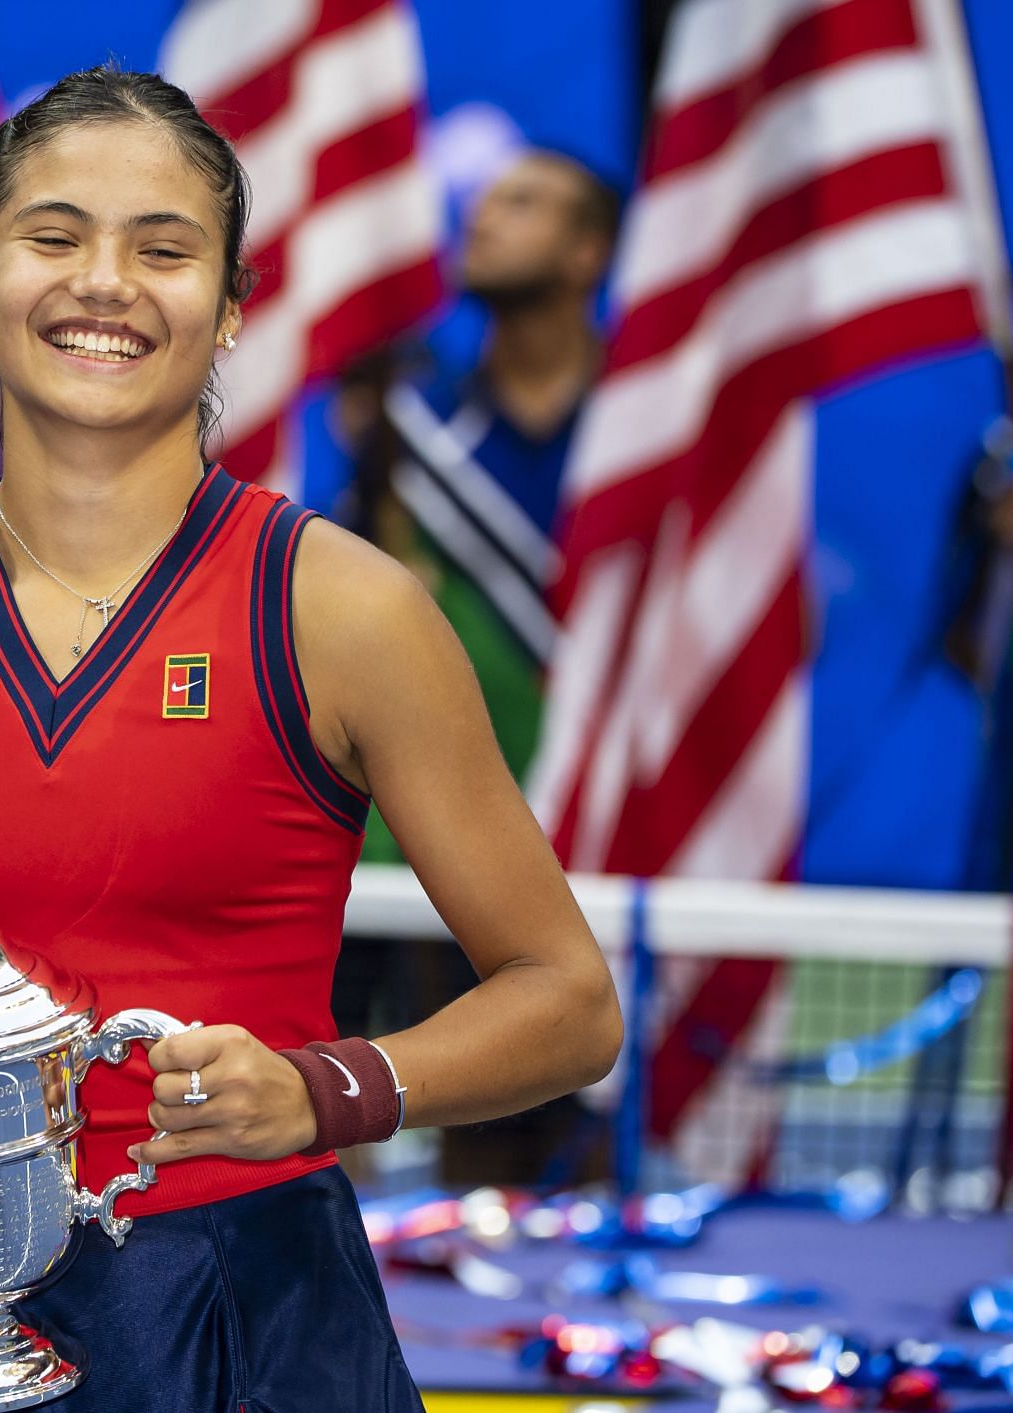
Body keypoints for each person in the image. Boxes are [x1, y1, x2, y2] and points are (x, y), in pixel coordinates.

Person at [0, 69, 620, 1412]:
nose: (103, 283)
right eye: (52, 236)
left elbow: (569, 998)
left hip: (261, 1321)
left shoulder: (343, 611)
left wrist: (322, 1088)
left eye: (163, 249)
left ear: (226, 312)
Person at [333, 150, 619, 1188]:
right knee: (482, 1140)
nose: (487, 220)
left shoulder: (657, 425)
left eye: (526, 203)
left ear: (590, 251)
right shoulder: (414, 433)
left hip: (604, 817)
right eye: (486, 202)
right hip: (445, 825)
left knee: (596, 1141)